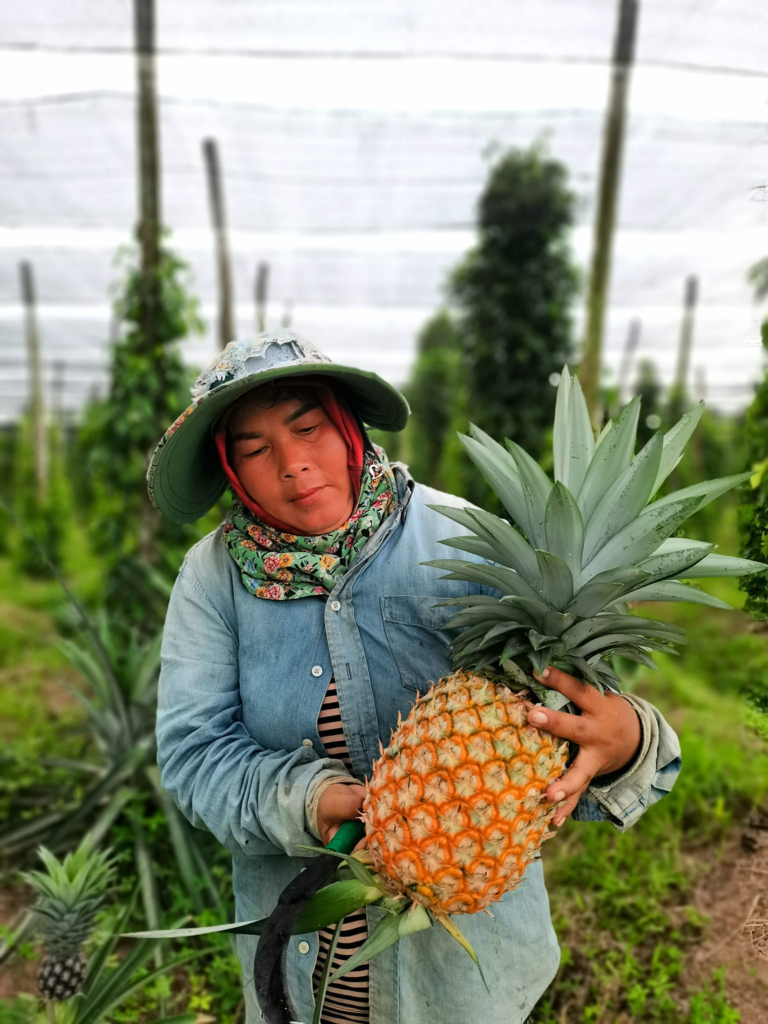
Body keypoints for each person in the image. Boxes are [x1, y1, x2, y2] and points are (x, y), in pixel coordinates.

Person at [152, 331, 681, 1024]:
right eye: (254, 449)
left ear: (346, 427)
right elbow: (194, 757)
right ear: (230, 468)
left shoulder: (462, 537)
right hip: (300, 959)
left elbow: (569, 729)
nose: (292, 464)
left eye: (308, 427)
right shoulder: (213, 577)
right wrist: (315, 800)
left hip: (463, 987)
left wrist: (630, 740)